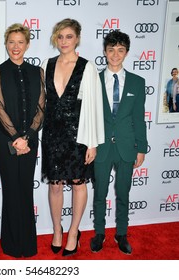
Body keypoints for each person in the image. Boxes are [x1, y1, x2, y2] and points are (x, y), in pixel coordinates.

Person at [41, 18, 104, 257]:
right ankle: (57, 230)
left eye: (69, 36)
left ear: (77, 38)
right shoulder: (47, 63)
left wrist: (92, 142)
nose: (64, 41)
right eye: (60, 36)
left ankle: (73, 232)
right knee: (55, 185)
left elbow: (94, 106)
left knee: (79, 184)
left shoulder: (87, 67)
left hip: (78, 135)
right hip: (52, 135)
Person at [0, 23, 45, 257]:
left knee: (25, 190)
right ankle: (11, 244)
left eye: (20, 42)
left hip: (30, 142)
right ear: (6, 44)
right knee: (11, 190)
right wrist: (16, 138)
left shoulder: (37, 72)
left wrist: (28, 137)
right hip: (6, 143)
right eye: (11, 42)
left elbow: (41, 108)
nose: (15, 46)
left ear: (28, 44)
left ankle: (27, 244)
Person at [91, 30, 148, 255]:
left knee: (123, 192)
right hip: (101, 146)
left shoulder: (137, 82)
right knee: (99, 193)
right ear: (105, 52)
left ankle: (121, 233)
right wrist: (89, 144)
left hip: (127, 147)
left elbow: (139, 118)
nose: (115, 55)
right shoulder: (93, 79)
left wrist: (141, 148)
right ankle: (99, 233)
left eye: (120, 50)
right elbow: (88, 117)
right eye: (111, 50)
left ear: (126, 53)